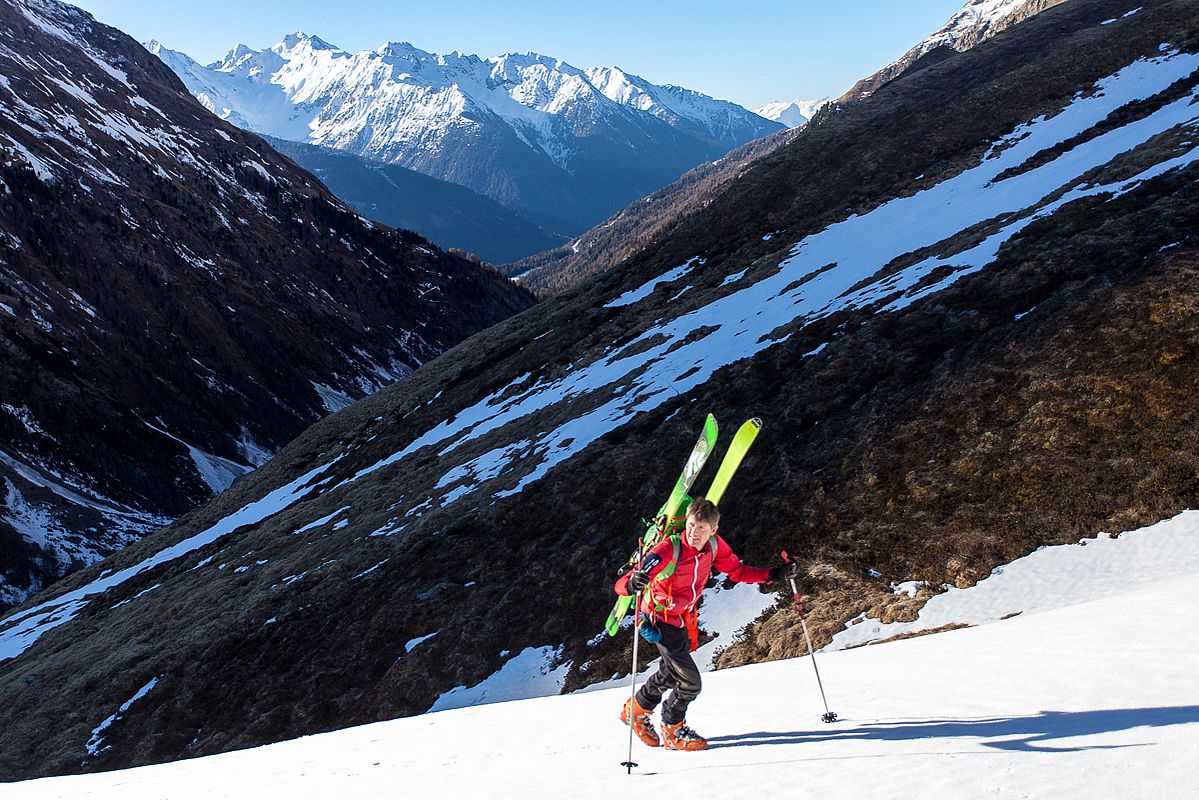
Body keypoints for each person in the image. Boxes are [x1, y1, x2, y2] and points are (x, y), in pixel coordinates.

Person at [614, 496, 797, 751]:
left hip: (683, 617)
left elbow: (737, 571)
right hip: (659, 619)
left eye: (701, 528)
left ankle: (636, 711)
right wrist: (631, 584)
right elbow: (625, 583)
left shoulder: (714, 546)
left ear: (713, 530)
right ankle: (672, 728)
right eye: (691, 525)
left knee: (670, 671)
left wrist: (771, 575)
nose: (694, 532)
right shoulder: (669, 549)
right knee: (690, 682)